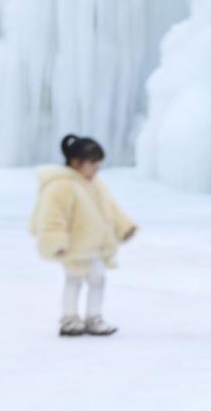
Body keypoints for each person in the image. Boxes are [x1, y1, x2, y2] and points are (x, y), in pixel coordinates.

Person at [30, 134, 136, 337]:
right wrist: (56, 241)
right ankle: (69, 319)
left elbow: (111, 208)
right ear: (76, 163)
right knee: (74, 280)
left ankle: (93, 318)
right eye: (93, 165)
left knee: (98, 279)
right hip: (73, 246)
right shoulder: (61, 186)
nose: (96, 170)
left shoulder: (94, 184)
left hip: (94, 245)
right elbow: (53, 217)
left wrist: (124, 227)